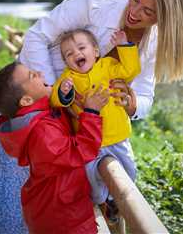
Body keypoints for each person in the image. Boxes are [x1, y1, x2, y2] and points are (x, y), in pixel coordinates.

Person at [0, 0, 183, 233]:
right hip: (39, 124)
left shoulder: (152, 45)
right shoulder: (94, 2)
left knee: (67, 206)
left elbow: (144, 98)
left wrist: (132, 104)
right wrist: (57, 98)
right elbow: (37, 36)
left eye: (148, 11)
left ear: (165, 19)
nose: (135, 11)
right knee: (24, 208)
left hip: (83, 134)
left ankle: (108, 206)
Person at [0, 61, 109, 234]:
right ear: (26, 100)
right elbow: (80, 151)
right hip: (64, 218)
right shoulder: (41, 132)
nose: (38, 72)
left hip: (56, 210)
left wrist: (69, 101)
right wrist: (92, 113)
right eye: (32, 76)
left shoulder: (38, 117)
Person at [50, 28, 141, 220]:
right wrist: (64, 92)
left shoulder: (108, 66)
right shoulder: (69, 78)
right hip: (89, 142)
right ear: (66, 62)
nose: (77, 54)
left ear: (96, 51)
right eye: (69, 54)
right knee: (91, 176)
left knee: (129, 172)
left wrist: (124, 46)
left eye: (82, 47)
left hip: (117, 136)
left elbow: (130, 69)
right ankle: (103, 201)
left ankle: (118, 201)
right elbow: (56, 100)